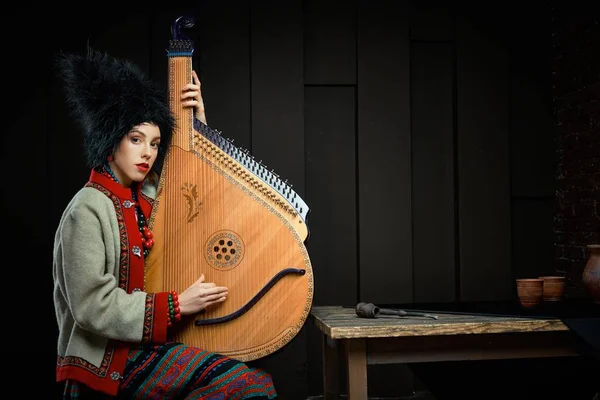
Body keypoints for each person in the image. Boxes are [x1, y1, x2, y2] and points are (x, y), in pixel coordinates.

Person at [52, 47, 278, 399]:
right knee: (247, 387)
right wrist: (176, 305)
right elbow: (90, 306)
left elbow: (194, 187)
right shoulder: (87, 209)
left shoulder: (146, 197)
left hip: (143, 350)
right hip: (110, 364)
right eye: (136, 140)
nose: (147, 154)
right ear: (111, 141)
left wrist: (195, 123)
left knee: (255, 383)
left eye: (156, 144)